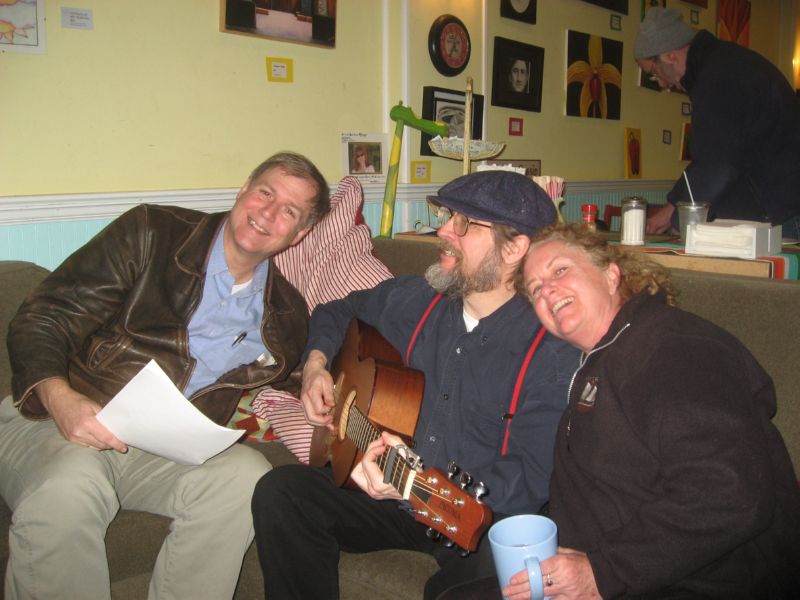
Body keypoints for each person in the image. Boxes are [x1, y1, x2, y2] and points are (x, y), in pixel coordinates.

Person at [0, 151, 330, 599]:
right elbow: (44, 317)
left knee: (246, 476)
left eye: (289, 211)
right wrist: (60, 397)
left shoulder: (286, 313)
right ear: (243, 189)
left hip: (161, 451)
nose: (268, 213)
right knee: (71, 485)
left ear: (300, 233)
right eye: (265, 193)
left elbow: (301, 377)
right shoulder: (151, 232)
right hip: (55, 419)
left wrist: (317, 373)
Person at [251, 171, 581, 599]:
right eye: (447, 216)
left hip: (473, 519)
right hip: (392, 497)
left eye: (464, 223)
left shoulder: (552, 349)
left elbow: (529, 478)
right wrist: (315, 366)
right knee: (281, 493)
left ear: (514, 248)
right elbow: (338, 310)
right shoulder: (418, 300)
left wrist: (417, 485)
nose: (443, 231)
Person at [500, 223, 800, 599]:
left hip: (701, 581)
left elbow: (727, 492)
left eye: (560, 270)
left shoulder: (674, 349)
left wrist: (601, 573)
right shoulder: (605, 356)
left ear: (611, 275)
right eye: (535, 289)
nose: (547, 290)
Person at [634, 7, 800, 240]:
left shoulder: (717, 79)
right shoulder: (725, 62)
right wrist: (673, 207)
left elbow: (717, 166)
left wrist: (679, 219)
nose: (660, 83)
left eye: (654, 72)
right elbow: (714, 158)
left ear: (670, 56)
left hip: (781, 214)